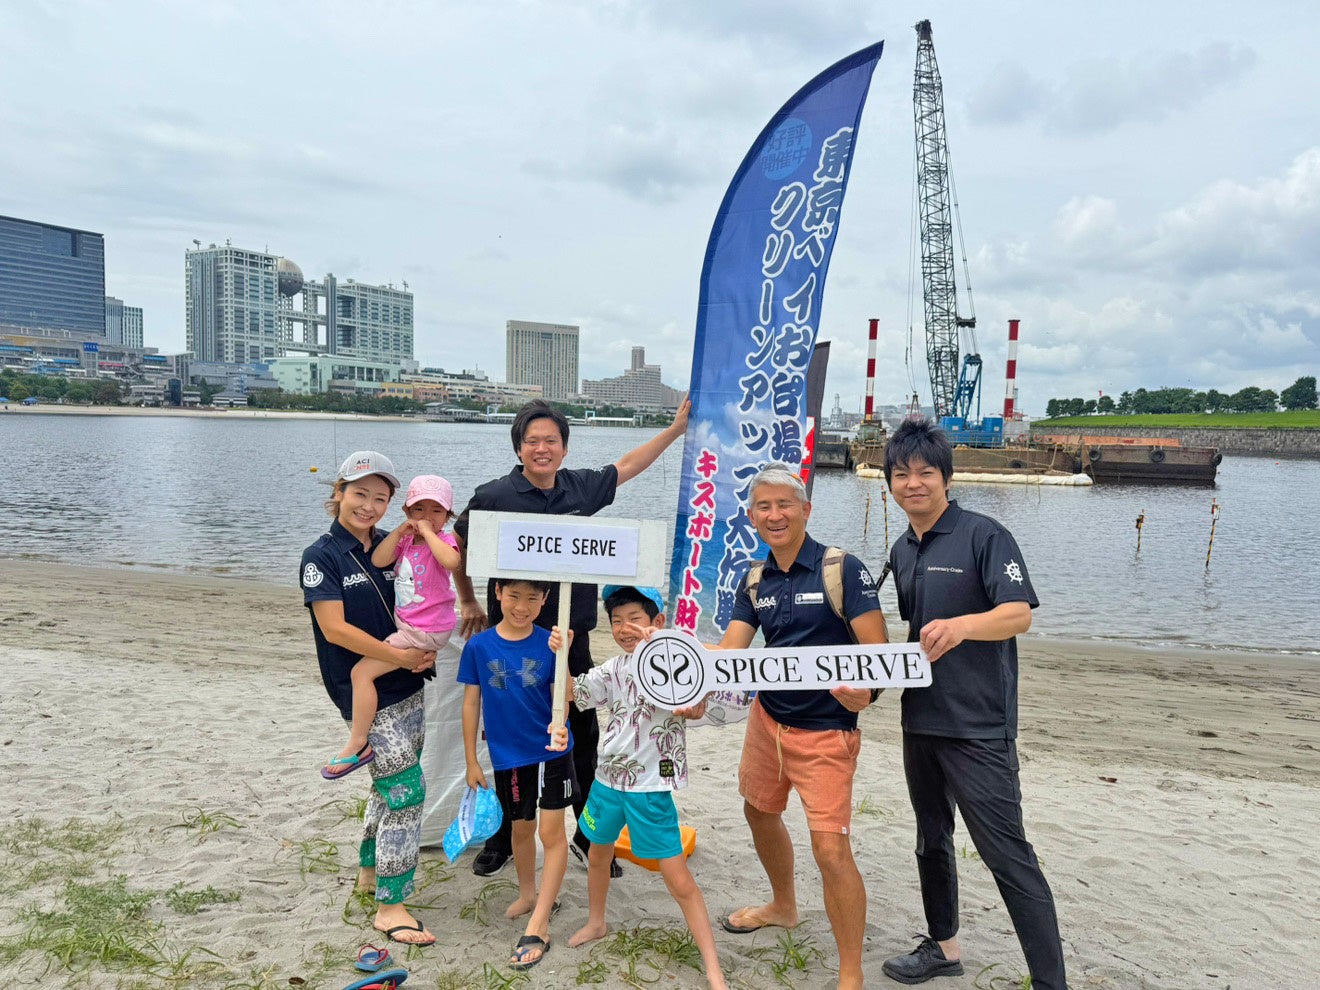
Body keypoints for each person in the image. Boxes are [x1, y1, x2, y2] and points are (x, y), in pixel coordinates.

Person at [451, 397, 690, 877]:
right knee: (510, 734)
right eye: (532, 441)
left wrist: (675, 429)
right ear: (519, 448)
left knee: (582, 730)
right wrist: (470, 601)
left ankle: (587, 833)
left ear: (563, 447)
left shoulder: (581, 486)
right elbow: (458, 546)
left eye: (551, 441)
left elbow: (627, 466)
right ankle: (503, 835)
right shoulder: (494, 494)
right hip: (514, 638)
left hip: (570, 636)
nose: (542, 449)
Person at [880, 417, 1066, 989]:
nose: (914, 483)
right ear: (888, 482)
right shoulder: (902, 549)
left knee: (1007, 853)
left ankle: (1050, 983)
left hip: (979, 725)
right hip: (921, 720)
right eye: (902, 474)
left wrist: (961, 627)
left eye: (926, 473)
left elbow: (1020, 614)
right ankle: (943, 948)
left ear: (947, 477)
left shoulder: (985, 535)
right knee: (930, 838)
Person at [713, 463, 889, 990]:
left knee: (831, 848)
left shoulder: (842, 569)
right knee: (759, 811)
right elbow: (730, 655)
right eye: (763, 507)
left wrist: (869, 691)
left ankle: (850, 971)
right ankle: (784, 906)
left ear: (805, 510)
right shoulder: (754, 578)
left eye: (784, 505)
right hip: (768, 722)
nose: (774, 515)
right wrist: (683, 670)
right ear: (751, 517)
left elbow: (876, 653)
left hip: (827, 732)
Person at [558, 585, 729, 990]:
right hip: (605, 782)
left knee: (678, 879)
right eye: (616, 621)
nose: (623, 628)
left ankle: (713, 968)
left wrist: (670, 652)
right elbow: (571, 694)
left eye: (634, 619)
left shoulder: (676, 660)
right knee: (596, 855)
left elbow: (703, 700)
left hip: (650, 788)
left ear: (656, 622)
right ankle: (597, 922)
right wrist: (561, 653)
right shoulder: (614, 668)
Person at [299, 451, 438, 946]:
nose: (369, 506)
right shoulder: (322, 556)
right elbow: (334, 629)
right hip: (364, 691)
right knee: (407, 795)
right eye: (360, 494)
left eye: (380, 498)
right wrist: (396, 657)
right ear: (339, 493)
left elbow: (430, 589)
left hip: (409, 683)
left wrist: (427, 645)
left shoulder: (390, 543)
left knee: (385, 788)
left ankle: (367, 871)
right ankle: (390, 906)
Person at [458, 577, 574, 971]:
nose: (521, 606)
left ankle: (539, 923)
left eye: (531, 598)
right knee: (520, 829)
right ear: (497, 594)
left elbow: (568, 696)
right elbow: (471, 702)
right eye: (513, 596)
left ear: (545, 601)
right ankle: (529, 895)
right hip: (507, 756)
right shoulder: (478, 646)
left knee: (551, 834)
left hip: (551, 751)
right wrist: (473, 760)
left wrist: (565, 655)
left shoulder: (550, 641)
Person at [322, 474, 459, 778]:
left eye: (437, 511)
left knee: (361, 673)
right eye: (419, 510)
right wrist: (400, 532)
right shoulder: (406, 541)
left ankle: (358, 743)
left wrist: (430, 533)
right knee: (366, 672)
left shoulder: (444, 541)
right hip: (415, 630)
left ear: (448, 516)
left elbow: (451, 562)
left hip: (424, 630)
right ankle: (360, 738)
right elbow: (379, 559)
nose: (427, 517)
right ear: (407, 512)